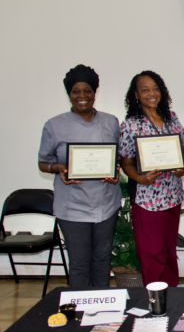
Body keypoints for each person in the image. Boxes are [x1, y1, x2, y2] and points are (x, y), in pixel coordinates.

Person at [37, 65, 121, 288]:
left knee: (102, 259)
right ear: (69, 94)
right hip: (72, 206)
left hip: (106, 203)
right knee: (80, 262)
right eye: (76, 91)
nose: (82, 96)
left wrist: (116, 171)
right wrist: (58, 168)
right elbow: (43, 162)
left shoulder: (110, 122)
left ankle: (102, 307)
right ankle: (80, 314)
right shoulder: (54, 125)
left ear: (95, 93)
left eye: (88, 91)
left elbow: (117, 158)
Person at [119, 71, 184, 287]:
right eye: (145, 89)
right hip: (148, 199)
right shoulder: (131, 125)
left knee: (168, 251)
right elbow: (126, 162)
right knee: (152, 254)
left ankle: (172, 296)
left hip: (172, 196)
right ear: (136, 95)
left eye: (155, 88)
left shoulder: (171, 117)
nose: (151, 93)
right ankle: (156, 300)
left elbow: (182, 150)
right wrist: (140, 178)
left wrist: (182, 167)